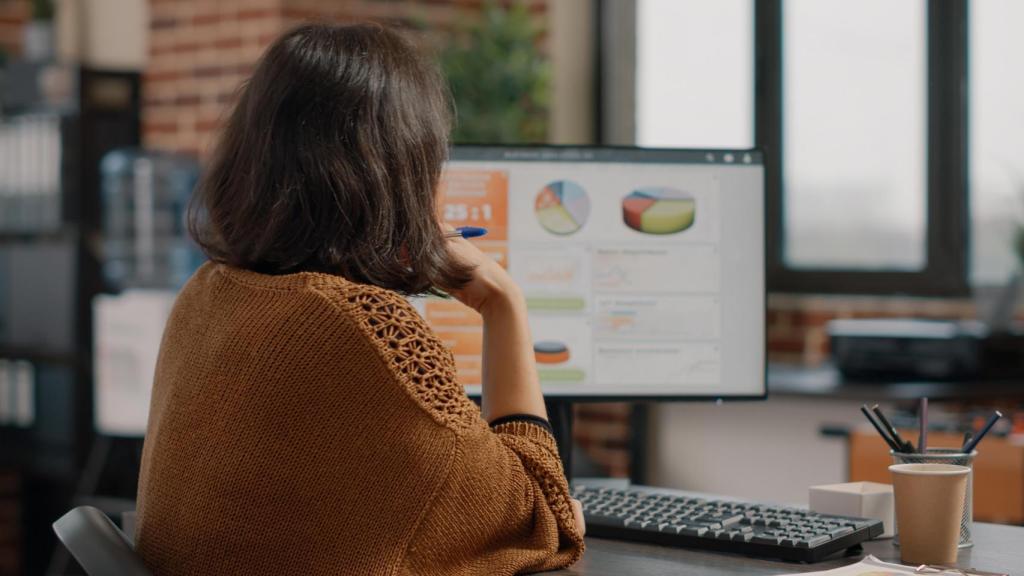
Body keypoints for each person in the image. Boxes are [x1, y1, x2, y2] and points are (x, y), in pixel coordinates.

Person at [134, 22, 585, 576]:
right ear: (400, 168)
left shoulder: (207, 292)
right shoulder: (365, 330)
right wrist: (502, 301)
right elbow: (544, 518)